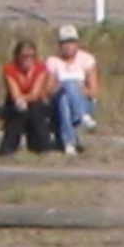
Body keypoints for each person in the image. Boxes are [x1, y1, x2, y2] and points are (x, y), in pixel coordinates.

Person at [46, 24, 101, 155]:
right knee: (64, 98)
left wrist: (77, 90)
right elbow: (48, 90)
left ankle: (69, 143)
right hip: (59, 101)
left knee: (69, 89)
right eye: (65, 43)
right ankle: (81, 117)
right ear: (60, 45)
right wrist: (61, 86)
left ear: (77, 43)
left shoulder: (87, 59)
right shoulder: (53, 61)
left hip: (84, 102)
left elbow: (93, 91)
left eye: (72, 42)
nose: (69, 46)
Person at [0, 38, 53, 156]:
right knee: (19, 112)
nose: (28, 59)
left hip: (36, 102)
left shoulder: (40, 68)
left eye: (32, 56)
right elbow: (14, 93)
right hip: (14, 102)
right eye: (25, 56)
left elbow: (35, 93)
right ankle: (8, 148)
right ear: (18, 56)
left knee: (35, 110)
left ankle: (42, 146)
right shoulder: (10, 69)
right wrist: (20, 101)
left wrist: (23, 99)